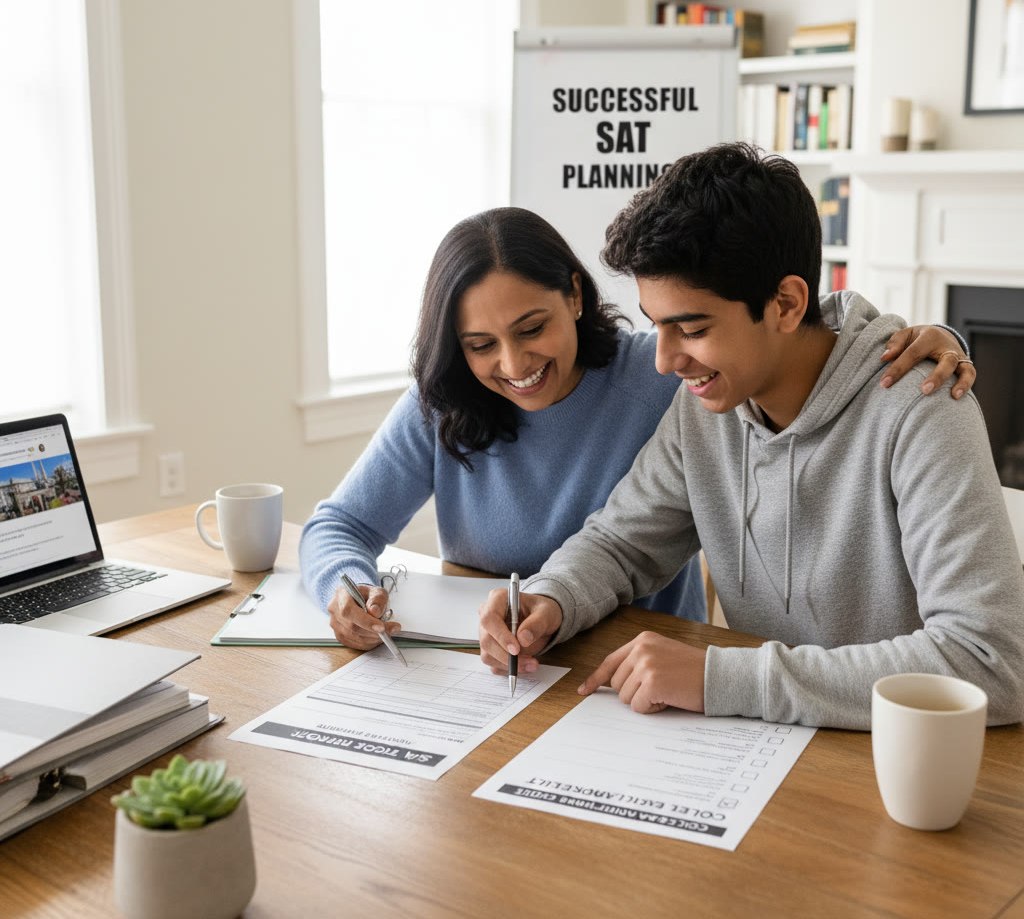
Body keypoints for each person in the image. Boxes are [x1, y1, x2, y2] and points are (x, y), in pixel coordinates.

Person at [477, 145, 1024, 730]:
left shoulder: (921, 413)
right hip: (752, 747)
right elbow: (622, 542)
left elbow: (988, 661)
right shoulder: (708, 410)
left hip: (892, 760)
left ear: (786, 303)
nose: (664, 361)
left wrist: (723, 677)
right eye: (657, 325)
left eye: (691, 328)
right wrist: (551, 598)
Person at [302, 206, 973, 656]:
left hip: (652, 658)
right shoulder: (446, 397)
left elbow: (794, 339)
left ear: (573, 294)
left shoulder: (671, 375)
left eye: (532, 329)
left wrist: (926, 335)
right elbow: (617, 544)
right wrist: (346, 586)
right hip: (519, 659)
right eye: (480, 343)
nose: (512, 365)